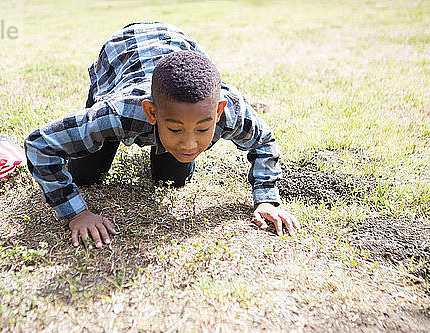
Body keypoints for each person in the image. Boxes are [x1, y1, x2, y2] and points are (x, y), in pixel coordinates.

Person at [25, 22, 299, 249]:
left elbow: (264, 141)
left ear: (217, 111)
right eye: (176, 129)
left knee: (172, 179)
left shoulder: (231, 112)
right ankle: (121, 137)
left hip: (176, 45)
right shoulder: (119, 113)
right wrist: (76, 214)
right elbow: (40, 144)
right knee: (86, 174)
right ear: (152, 112)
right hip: (121, 54)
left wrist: (265, 198)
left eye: (203, 129)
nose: (190, 143)